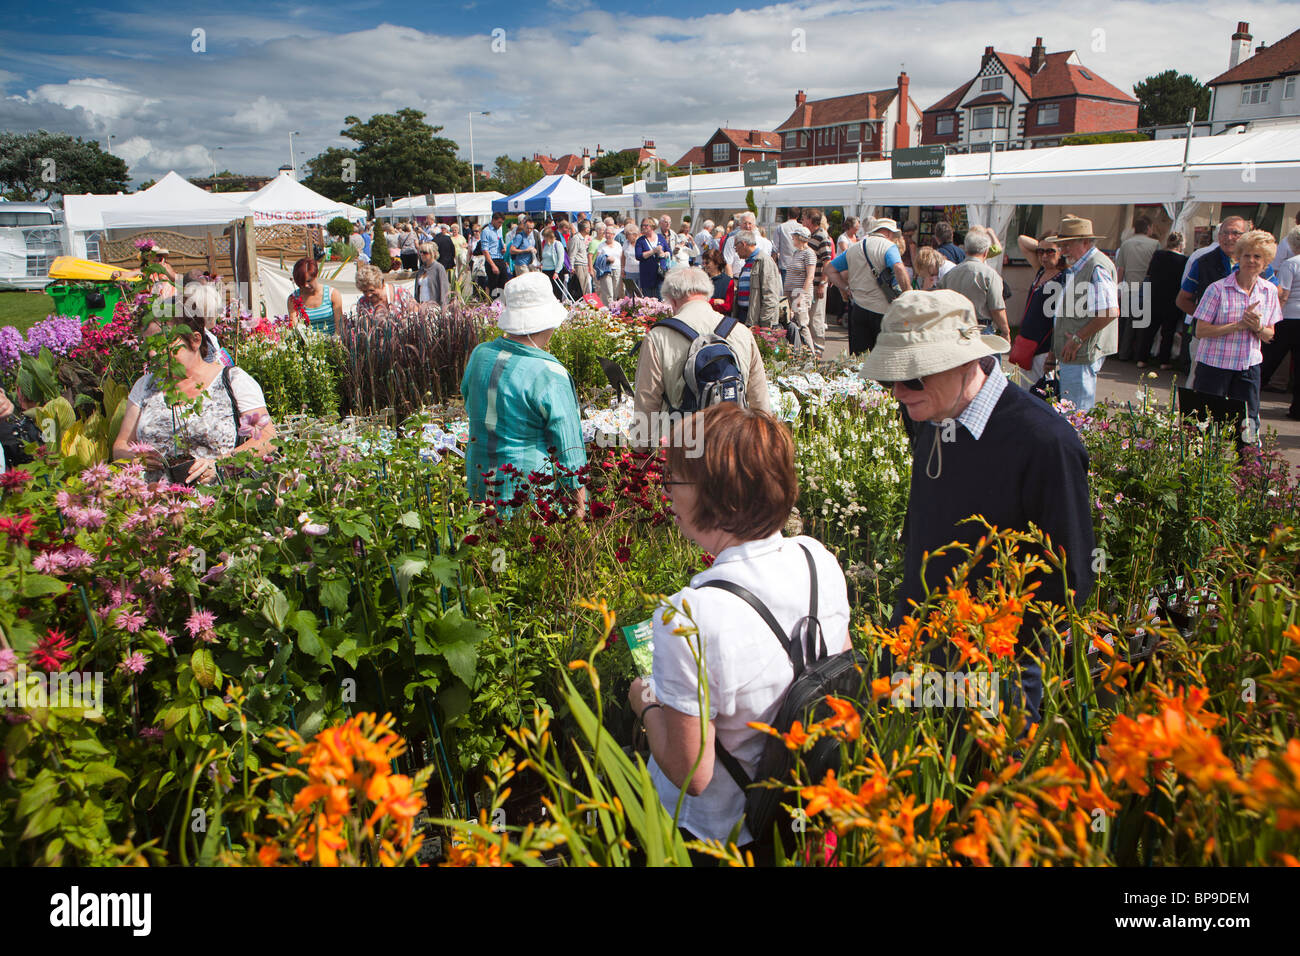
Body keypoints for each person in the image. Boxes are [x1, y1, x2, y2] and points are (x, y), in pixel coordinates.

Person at [860, 289, 1095, 727]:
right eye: (888, 379)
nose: (897, 392)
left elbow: (1071, 579)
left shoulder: (1045, 443)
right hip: (917, 641)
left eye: (912, 377)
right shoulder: (930, 411)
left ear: (967, 362)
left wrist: (1010, 684)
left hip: (995, 672)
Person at [626, 402, 850, 852]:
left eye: (675, 480)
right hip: (800, 808)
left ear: (719, 496)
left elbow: (693, 773)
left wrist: (645, 704)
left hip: (717, 835)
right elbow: (836, 680)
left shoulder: (687, 615)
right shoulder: (817, 560)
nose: (665, 491)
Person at [461, 272, 587, 516]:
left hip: (480, 486)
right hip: (530, 496)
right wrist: (580, 510)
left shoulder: (480, 355)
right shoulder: (550, 372)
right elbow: (570, 449)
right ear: (547, 322)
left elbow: (470, 405)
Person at [112, 308, 276, 484]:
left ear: (195, 340)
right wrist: (135, 457)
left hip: (218, 499)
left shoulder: (233, 380)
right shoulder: (145, 386)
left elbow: (266, 438)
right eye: (148, 345)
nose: (153, 354)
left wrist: (220, 464)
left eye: (161, 343)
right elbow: (120, 446)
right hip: (157, 502)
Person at [633, 266, 771, 419]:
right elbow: (760, 400)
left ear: (672, 300)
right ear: (707, 294)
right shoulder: (741, 331)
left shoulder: (658, 336)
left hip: (682, 436)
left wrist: (643, 441)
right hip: (732, 436)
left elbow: (646, 401)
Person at [1190, 230, 1282, 443]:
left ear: (1265, 261)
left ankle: (1248, 471)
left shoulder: (1269, 291)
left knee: (1248, 425)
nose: (1251, 260)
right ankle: (1197, 471)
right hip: (1214, 366)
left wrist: (1258, 327)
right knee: (1205, 423)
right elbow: (1201, 330)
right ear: (1237, 258)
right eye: (1246, 255)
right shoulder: (1218, 289)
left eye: (1257, 256)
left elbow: (1270, 335)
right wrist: (1238, 325)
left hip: (1248, 367)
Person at [1046, 216, 1119, 412]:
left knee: (1076, 415)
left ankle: (1077, 442)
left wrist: (1078, 338)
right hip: (1074, 351)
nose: (1064, 250)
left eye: (1068, 245)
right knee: (1071, 411)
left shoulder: (1096, 266)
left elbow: (1110, 311)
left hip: (1080, 352)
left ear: (1085, 242)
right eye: (1062, 245)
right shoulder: (1082, 265)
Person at [1176, 217, 1252, 382]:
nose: (1229, 237)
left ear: (1246, 236)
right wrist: (1208, 317)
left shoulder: (1254, 262)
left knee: (1236, 391)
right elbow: (1182, 300)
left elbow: (1275, 293)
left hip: (1243, 340)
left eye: (1235, 233)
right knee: (1199, 383)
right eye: (1224, 233)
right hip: (1207, 337)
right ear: (1218, 236)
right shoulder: (1204, 262)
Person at [823, 217, 910, 354]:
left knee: (860, 357)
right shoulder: (888, 246)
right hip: (883, 310)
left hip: (859, 307)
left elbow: (829, 270)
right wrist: (908, 293)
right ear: (888, 233)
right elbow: (898, 267)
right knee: (883, 357)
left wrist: (845, 288)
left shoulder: (855, 247)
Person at [1008, 234, 1064, 384]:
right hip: (1026, 343)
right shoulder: (1041, 271)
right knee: (1023, 389)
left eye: (1050, 252)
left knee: (1039, 392)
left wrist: (1058, 245)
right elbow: (1021, 241)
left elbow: (1060, 320)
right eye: (1040, 252)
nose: (1044, 256)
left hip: (1043, 347)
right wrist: (1045, 245)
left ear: (1061, 252)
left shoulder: (1065, 277)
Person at [937, 228, 1009, 339]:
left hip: (954, 329)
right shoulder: (990, 275)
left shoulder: (950, 274)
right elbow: (997, 309)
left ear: (965, 250)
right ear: (986, 252)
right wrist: (1005, 331)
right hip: (980, 330)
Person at [1136, 232, 1189, 370]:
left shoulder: (1158, 255)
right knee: (1168, 333)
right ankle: (1164, 361)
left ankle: (1142, 359)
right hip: (1172, 300)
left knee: (1149, 331)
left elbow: (1150, 274)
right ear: (1181, 244)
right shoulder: (1184, 261)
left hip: (1154, 297)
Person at [1113, 217, 1160, 361]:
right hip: (1146, 284)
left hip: (1128, 284)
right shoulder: (1155, 244)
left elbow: (1120, 269)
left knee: (1126, 322)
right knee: (1142, 323)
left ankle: (1122, 351)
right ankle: (1137, 353)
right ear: (1149, 229)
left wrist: (1118, 288)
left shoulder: (1126, 244)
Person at [730, 229, 781, 328]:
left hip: (757, 320)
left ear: (743, 244)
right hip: (745, 315)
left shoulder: (763, 261)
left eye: (736, 246)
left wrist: (765, 323)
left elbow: (770, 295)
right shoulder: (748, 262)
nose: (735, 250)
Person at [802, 209, 834, 355]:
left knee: (816, 319)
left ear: (810, 220)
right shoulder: (811, 236)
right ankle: (810, 351)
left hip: (817, 284)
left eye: (804, 218)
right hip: (809, 285)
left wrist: (822, 283)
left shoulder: (822, 236)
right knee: (807, 318)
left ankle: (818, 352)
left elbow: (827, 261)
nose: (802, 221)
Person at [288, 257, 343, 335]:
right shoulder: (293, 299)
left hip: (331, 342)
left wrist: (335, 340)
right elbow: (294, 326)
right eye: (301, 282)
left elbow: (340, 326)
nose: (306, 285)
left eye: (309, 281)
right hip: (307, 344)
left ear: (316, 275)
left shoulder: (332, 294)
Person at [783, 225, 816, 354]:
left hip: (799, 293)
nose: (792, 238)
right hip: (790, 291)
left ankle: (810, 353)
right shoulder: (796, 252)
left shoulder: (809, 253)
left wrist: (802, 295)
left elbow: (810, 276)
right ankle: (796, 350)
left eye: (794, 236)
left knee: (802, 322)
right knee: (790, 321)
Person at [723, 212, 772, 277]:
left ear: (754, 225)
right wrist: (731, 283)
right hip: (737, 280)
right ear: (740, 225)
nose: (747, 226)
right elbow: (727, 263)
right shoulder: (731, 241)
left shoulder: (764, 243)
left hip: (757, 280)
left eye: (750, 223)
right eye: (745, 223)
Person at [635, 218, 671, 300]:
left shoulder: (661, 238)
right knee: (648, 301)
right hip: (647, 275)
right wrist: (653, 251)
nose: (643, 227)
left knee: (661, 300)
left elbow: (669, 252)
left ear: (652, 226)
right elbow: (638, 256)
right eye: (642, 225)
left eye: (646, 225)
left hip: (660, 275)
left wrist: (664, 254)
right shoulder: (640, 241)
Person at [413, 242, 450, 311]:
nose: (422, 255)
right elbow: (417, 290)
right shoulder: (421, 269)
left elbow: (444, 290)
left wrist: (444, 308)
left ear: (432, 254)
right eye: (420, 252)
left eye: (425, 252)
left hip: (434, 307)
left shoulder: (439, 268)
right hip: (421, 307)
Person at [592, 226, 623, 305]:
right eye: (606, 233)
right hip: (605, 271)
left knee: (616, 293)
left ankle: (615, 309)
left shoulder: (618, 245)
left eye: (609, 233)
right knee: (608, 293)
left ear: (613, 234)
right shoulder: (601, 245)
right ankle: (608, 310)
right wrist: (606, 259)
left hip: (617, 269)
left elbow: (622, 257)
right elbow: (598, 259)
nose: (608, 235)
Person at [480, 212, 509, 292]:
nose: (500, 225)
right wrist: (492, 265)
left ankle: (502, 302)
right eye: (499, 222)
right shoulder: (486, 231)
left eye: (502, 223)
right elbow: (485, 250)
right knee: (494, 286)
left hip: (500, 258)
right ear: (493, 220)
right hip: (492, 259)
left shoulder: (499, 230)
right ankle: (493, 303)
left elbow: (501, 242)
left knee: (504, 283)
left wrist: (504, 248)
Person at [702, 247, 734, 316]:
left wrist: (707, 303)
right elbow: (698, 302)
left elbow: (727, 307)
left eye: (707, 262)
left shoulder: (728, 281)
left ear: (717, 263)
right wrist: (714, 301)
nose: (704, 265)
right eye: (703, 262)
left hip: (721, 320)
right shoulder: (701, 280)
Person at [540, 226, 566, 299]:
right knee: (548, 292)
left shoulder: (557, 244)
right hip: (545, 270)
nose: (544, 239)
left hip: (554, 271)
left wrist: (557, 272)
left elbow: (561, 259)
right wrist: (541, 264)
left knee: (556, 292)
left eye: (545, 237)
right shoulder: (545, 245)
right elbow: (545, 257)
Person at [568, 220, 592, 296]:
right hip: (578, 265)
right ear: (585, 229)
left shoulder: (582, 238)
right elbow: (572, 253)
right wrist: (571, 267)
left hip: (584, 264)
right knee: (581, 287)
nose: (590, 229)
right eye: (589, 227)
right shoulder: (576, 238)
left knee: (585, 287)